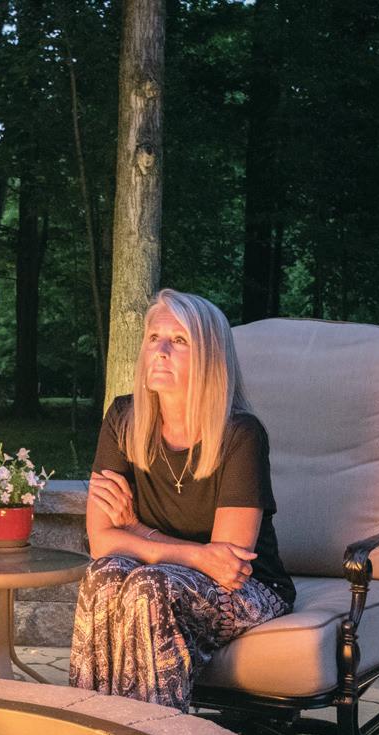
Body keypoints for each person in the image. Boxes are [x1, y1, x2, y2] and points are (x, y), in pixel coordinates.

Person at [69, 288, 295, 710]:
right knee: (103, 575)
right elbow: (101, 542)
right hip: (165, 577)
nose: (161, 351)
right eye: (154, 338)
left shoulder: (240, 435)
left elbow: (228, 564)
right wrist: (193, 554)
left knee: (147, 585)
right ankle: (94, 724)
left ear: (210, 358)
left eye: (179, 341)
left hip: (251, 588)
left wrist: (135, 530)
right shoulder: (122, 419)